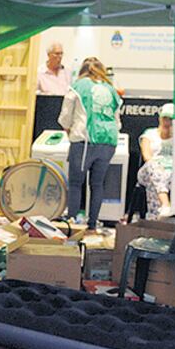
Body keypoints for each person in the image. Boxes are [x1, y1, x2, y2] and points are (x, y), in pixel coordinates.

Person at [57, 56, 122, 231]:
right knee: (97, 184)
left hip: (84, 140)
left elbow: (65, 117)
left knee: (76, 184)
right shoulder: (111, 90)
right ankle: (92, 225)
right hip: (108, 142)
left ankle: (72, 225)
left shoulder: (78, 87)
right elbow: (117, 122)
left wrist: (69, 130)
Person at [137, 102, 175, 219]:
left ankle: (155, 220)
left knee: (154, 185)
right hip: (149, 171)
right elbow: (146, 156)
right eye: (165, 118)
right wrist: (159, 167)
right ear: (160, 118)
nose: (167, 122)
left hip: (169, 175)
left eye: (170, 119)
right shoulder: (149, 134)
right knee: (154, 168)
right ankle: (165, 204)